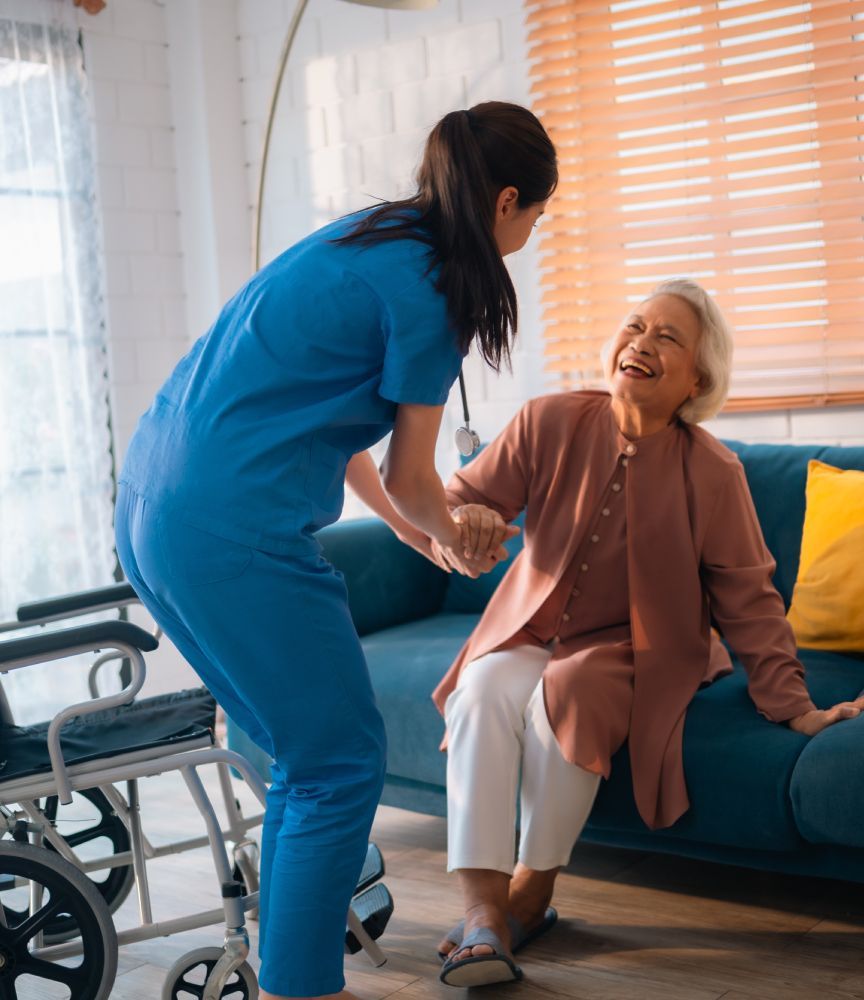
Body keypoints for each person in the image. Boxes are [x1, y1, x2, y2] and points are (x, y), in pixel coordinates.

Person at [114, 102, 556, 1000]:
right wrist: (456, 537)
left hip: (152, 508)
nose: (531, 233)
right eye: (536, 215)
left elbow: (333, 420)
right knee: (340, 760)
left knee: (299, 756)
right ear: (508, 199)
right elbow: (417, 477)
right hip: (234, 527)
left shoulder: (366, 238)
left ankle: (291, 974)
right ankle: (303, 987)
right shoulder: (437, 287)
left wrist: (405, 527)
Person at [429, 279, 864, 989]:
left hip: (632, 647)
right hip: (528, 625)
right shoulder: (546, 420)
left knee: (570, 690)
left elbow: (749, 597)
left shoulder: (714, 471)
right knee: (481, 691)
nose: (642, 343)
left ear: (697, 379)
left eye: (668, 338)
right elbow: (458, 501)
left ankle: (531, 893)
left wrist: (795, 706)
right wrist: (461, 522)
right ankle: (481, 914)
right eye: (634, 326)